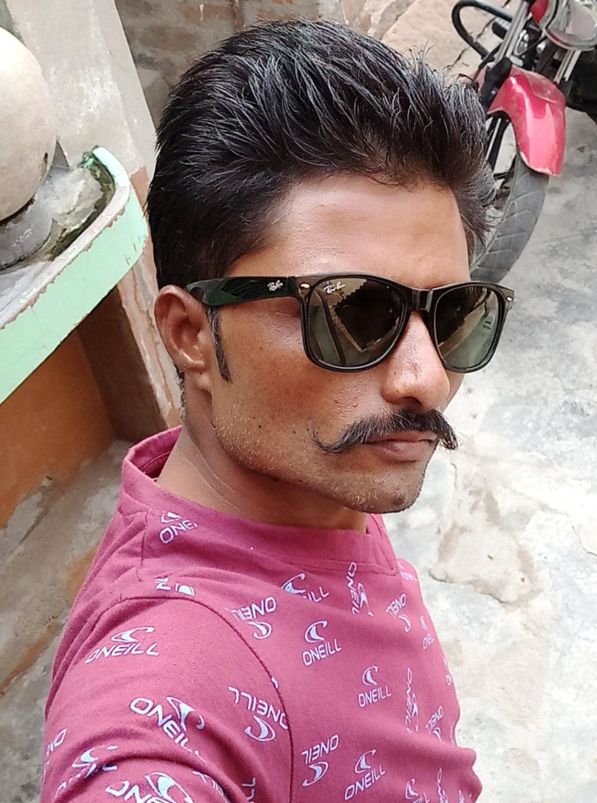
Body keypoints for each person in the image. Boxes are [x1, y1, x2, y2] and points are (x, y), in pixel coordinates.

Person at [40, 19, 513, 803]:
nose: (426, 378)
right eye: (352, 312)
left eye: (455, 312)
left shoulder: (319, 472)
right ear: (191, 334)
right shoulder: (164, 681)